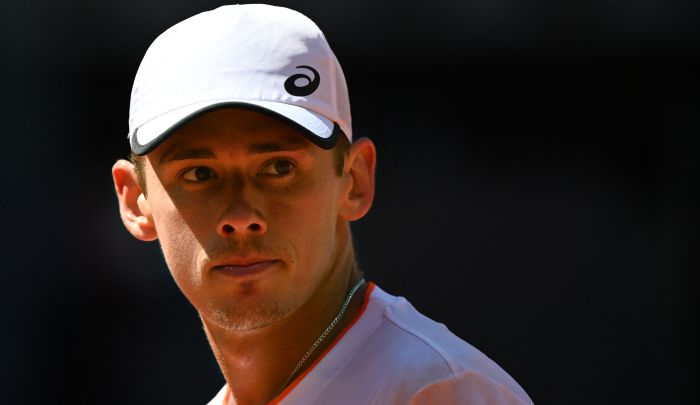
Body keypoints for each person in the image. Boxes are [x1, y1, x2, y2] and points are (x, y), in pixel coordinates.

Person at [111, 4, 533, 405]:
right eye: (200, 174)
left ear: (354, 182)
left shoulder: (438, 391)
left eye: (278, 168)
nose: (241, 217)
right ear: (135, 201)